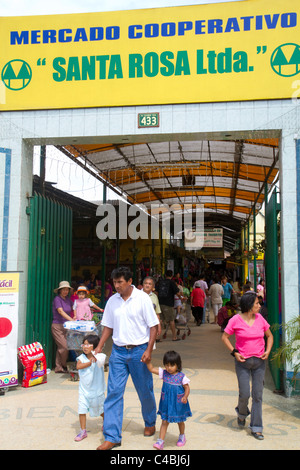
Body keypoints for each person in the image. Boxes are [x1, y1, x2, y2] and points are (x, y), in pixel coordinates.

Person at [94, 266, 159, 450]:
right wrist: (99, 346)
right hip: (118, 353)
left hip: (139, 352)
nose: (116, 286)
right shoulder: (112, 301)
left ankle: (149, 421)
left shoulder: (143, 299)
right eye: (114, 282)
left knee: (145, 390)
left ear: (130, 281)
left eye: (120, 282)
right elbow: (107, 326)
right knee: (114, 392)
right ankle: (112, 436)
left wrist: (149, 350)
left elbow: (153, 326)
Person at [221, 291, 273, 440]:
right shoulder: (236, 320)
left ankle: (256, 427)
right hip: (242, 363)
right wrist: (234, 352)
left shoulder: (260, 319)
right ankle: (242, 413)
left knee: (258, 395)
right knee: (245, 394)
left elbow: (270, 336)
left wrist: (267, 351)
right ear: (249, 305)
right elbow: (224, 337)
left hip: (259, 362)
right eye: (257, 303)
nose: (259, 305)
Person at [146, 350, 192, 450]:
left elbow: (187, 388)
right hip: (166, 403)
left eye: (172, 365)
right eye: (166, 365)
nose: (169, 368)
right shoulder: (164, 373)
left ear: (177, 365)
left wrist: (185, 396)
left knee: (180, 421)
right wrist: (148, 362)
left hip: (178, 403)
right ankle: (160, 441)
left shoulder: (181, 377)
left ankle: (182, 436)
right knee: (164, 422)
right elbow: (151, 369)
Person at [74, 334, 106, 442]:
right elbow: (78, 366)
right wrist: (89, 362)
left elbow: (101, 361)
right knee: (81, 410)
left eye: (89, 344)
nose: (85, 346)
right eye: (84, 344)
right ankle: (83, 430)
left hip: (97, 391)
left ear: (95, 346)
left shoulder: (99, 357)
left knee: (101, 409)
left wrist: (95, 357)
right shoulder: (81, 358)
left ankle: (106, 422)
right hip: (84, 391)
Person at [51, 281, 74, 373]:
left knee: (61, 347)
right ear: (60, 290)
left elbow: (75, 307)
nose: (65, 291)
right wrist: (71, 319)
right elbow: (60, 311)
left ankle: (58, 367)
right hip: (57, 326)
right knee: (64, 346)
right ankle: (63, 365)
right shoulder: (57, 299)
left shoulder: (68, 300)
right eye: (64, 290)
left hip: (66, 326)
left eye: (67, 290)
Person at [156, 270, 180, 341]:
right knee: (171, 320)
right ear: (172, 276)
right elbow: (177, 292)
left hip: (159, 303)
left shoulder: (160, 282)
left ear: (165, 275)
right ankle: (174, 337)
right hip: (168, 304)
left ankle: (157, 337)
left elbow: (156, 292)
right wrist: (181, 298)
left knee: (160, 320)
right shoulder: (172, 282)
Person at [142, 276, 162, 340]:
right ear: (143, 285)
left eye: (150, 284)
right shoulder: (136, 295)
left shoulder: (154, 297)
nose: (147, 285)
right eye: (146, 283)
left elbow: (157, 314)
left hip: (151, 327)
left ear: (153, 286)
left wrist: (158, 326)